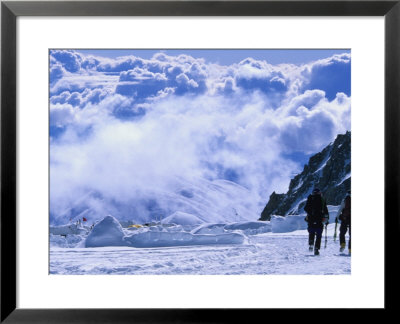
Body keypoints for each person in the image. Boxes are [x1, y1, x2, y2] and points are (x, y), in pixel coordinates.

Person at [304, 188, 329, 255]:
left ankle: (311, 243)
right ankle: (317, 249)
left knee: (311, 232)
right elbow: (325, 210)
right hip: (319, 219)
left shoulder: (310, 198)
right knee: (319, 234)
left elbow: (305, 208)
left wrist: (310, 213)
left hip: (311, 219)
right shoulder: (322, 200)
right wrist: (326, 220)